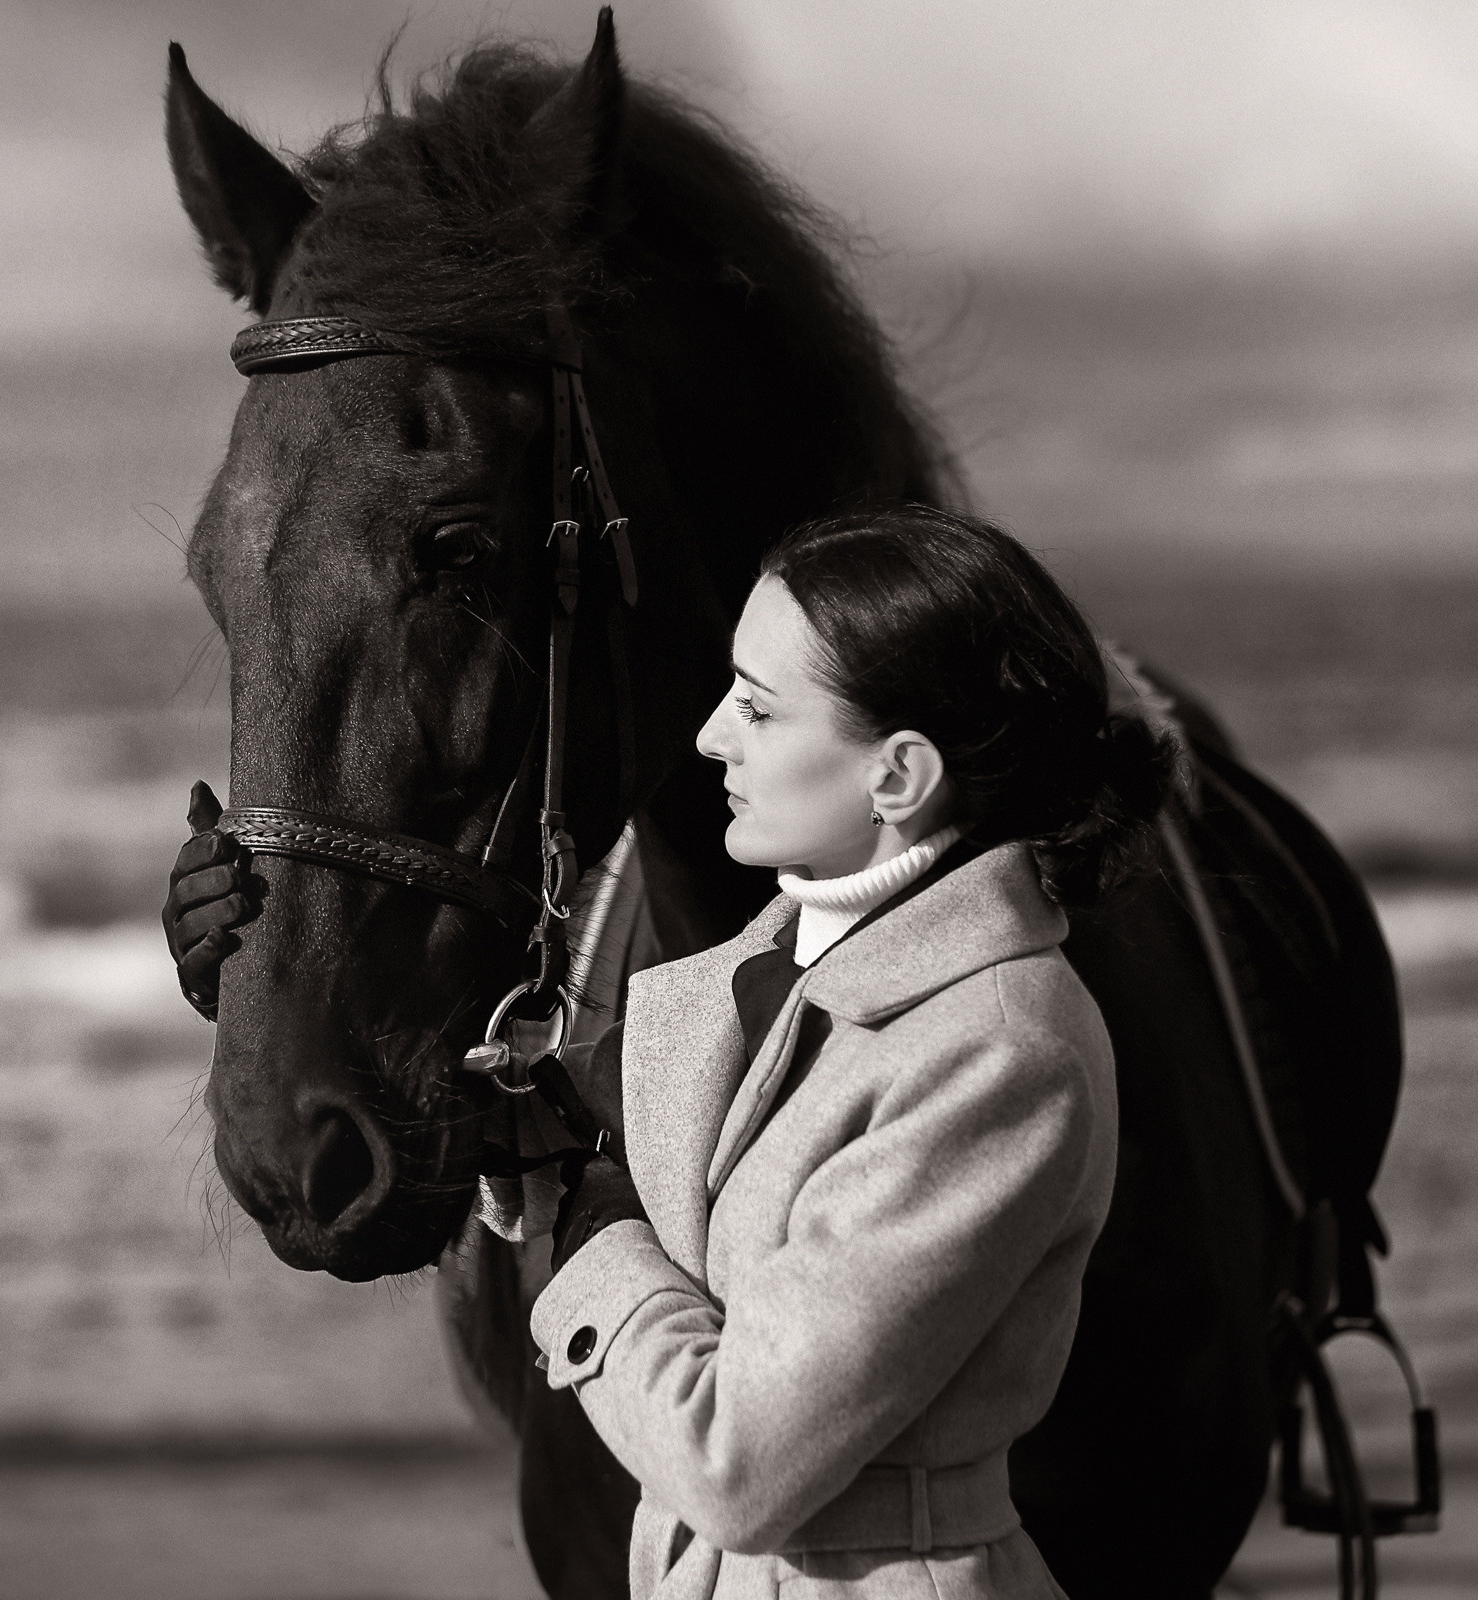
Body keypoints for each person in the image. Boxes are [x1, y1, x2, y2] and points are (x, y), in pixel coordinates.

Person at [169, 505, 1178, 1600]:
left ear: (898, 778)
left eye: (757, 705)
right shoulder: (774, 968)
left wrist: (591, 1209)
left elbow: (737, 1464)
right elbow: (540, 1108)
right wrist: (261, 956)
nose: (709, 737)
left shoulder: (1001, 1057)